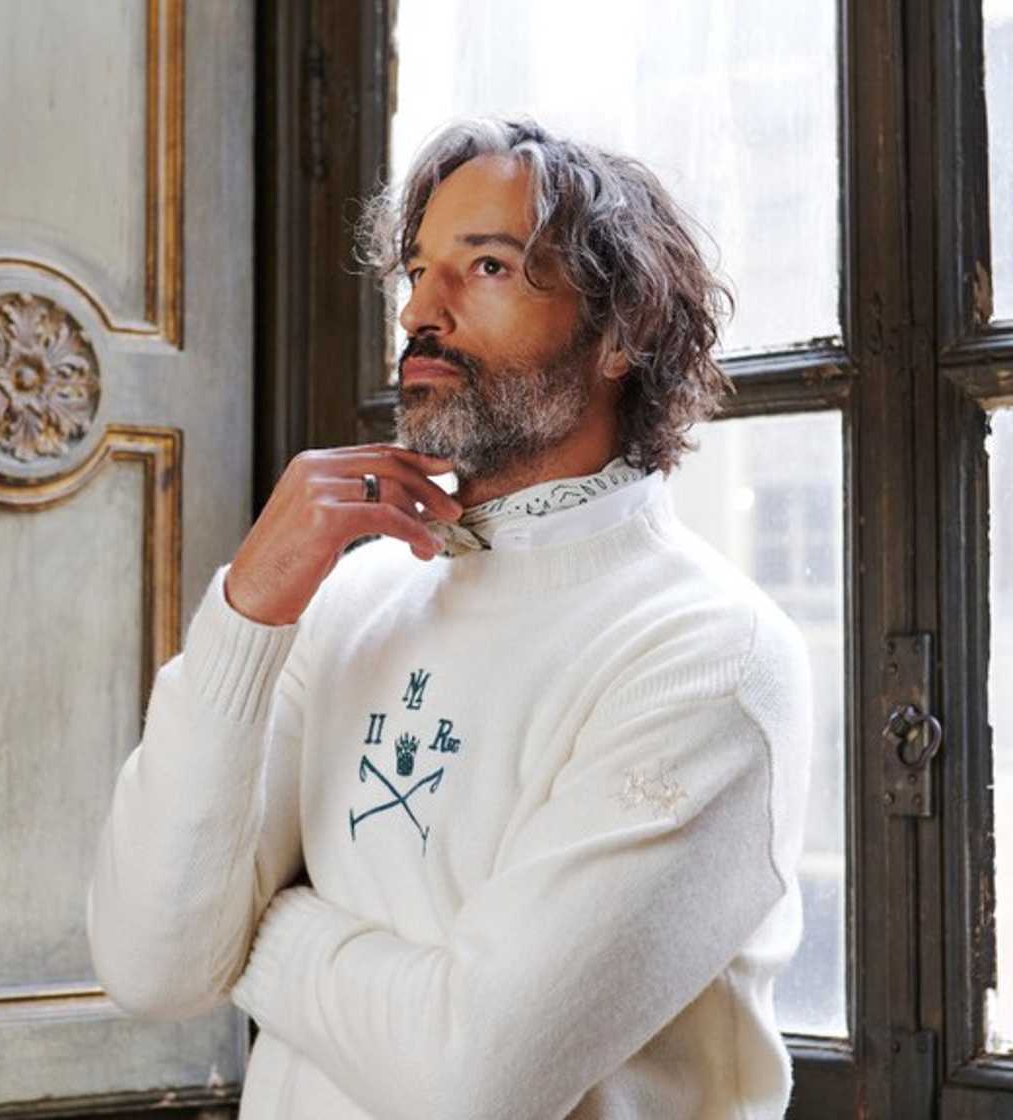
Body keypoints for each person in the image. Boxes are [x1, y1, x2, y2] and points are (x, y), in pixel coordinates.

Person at [87, 117, 813, 1120]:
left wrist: (253, 928)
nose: (421, 312)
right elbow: (153, 966)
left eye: (486, 266)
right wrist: (248, 610)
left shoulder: (708, 657)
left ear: (624, 331)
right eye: (418, 270)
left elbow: (464, 1082)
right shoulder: (353, 597)